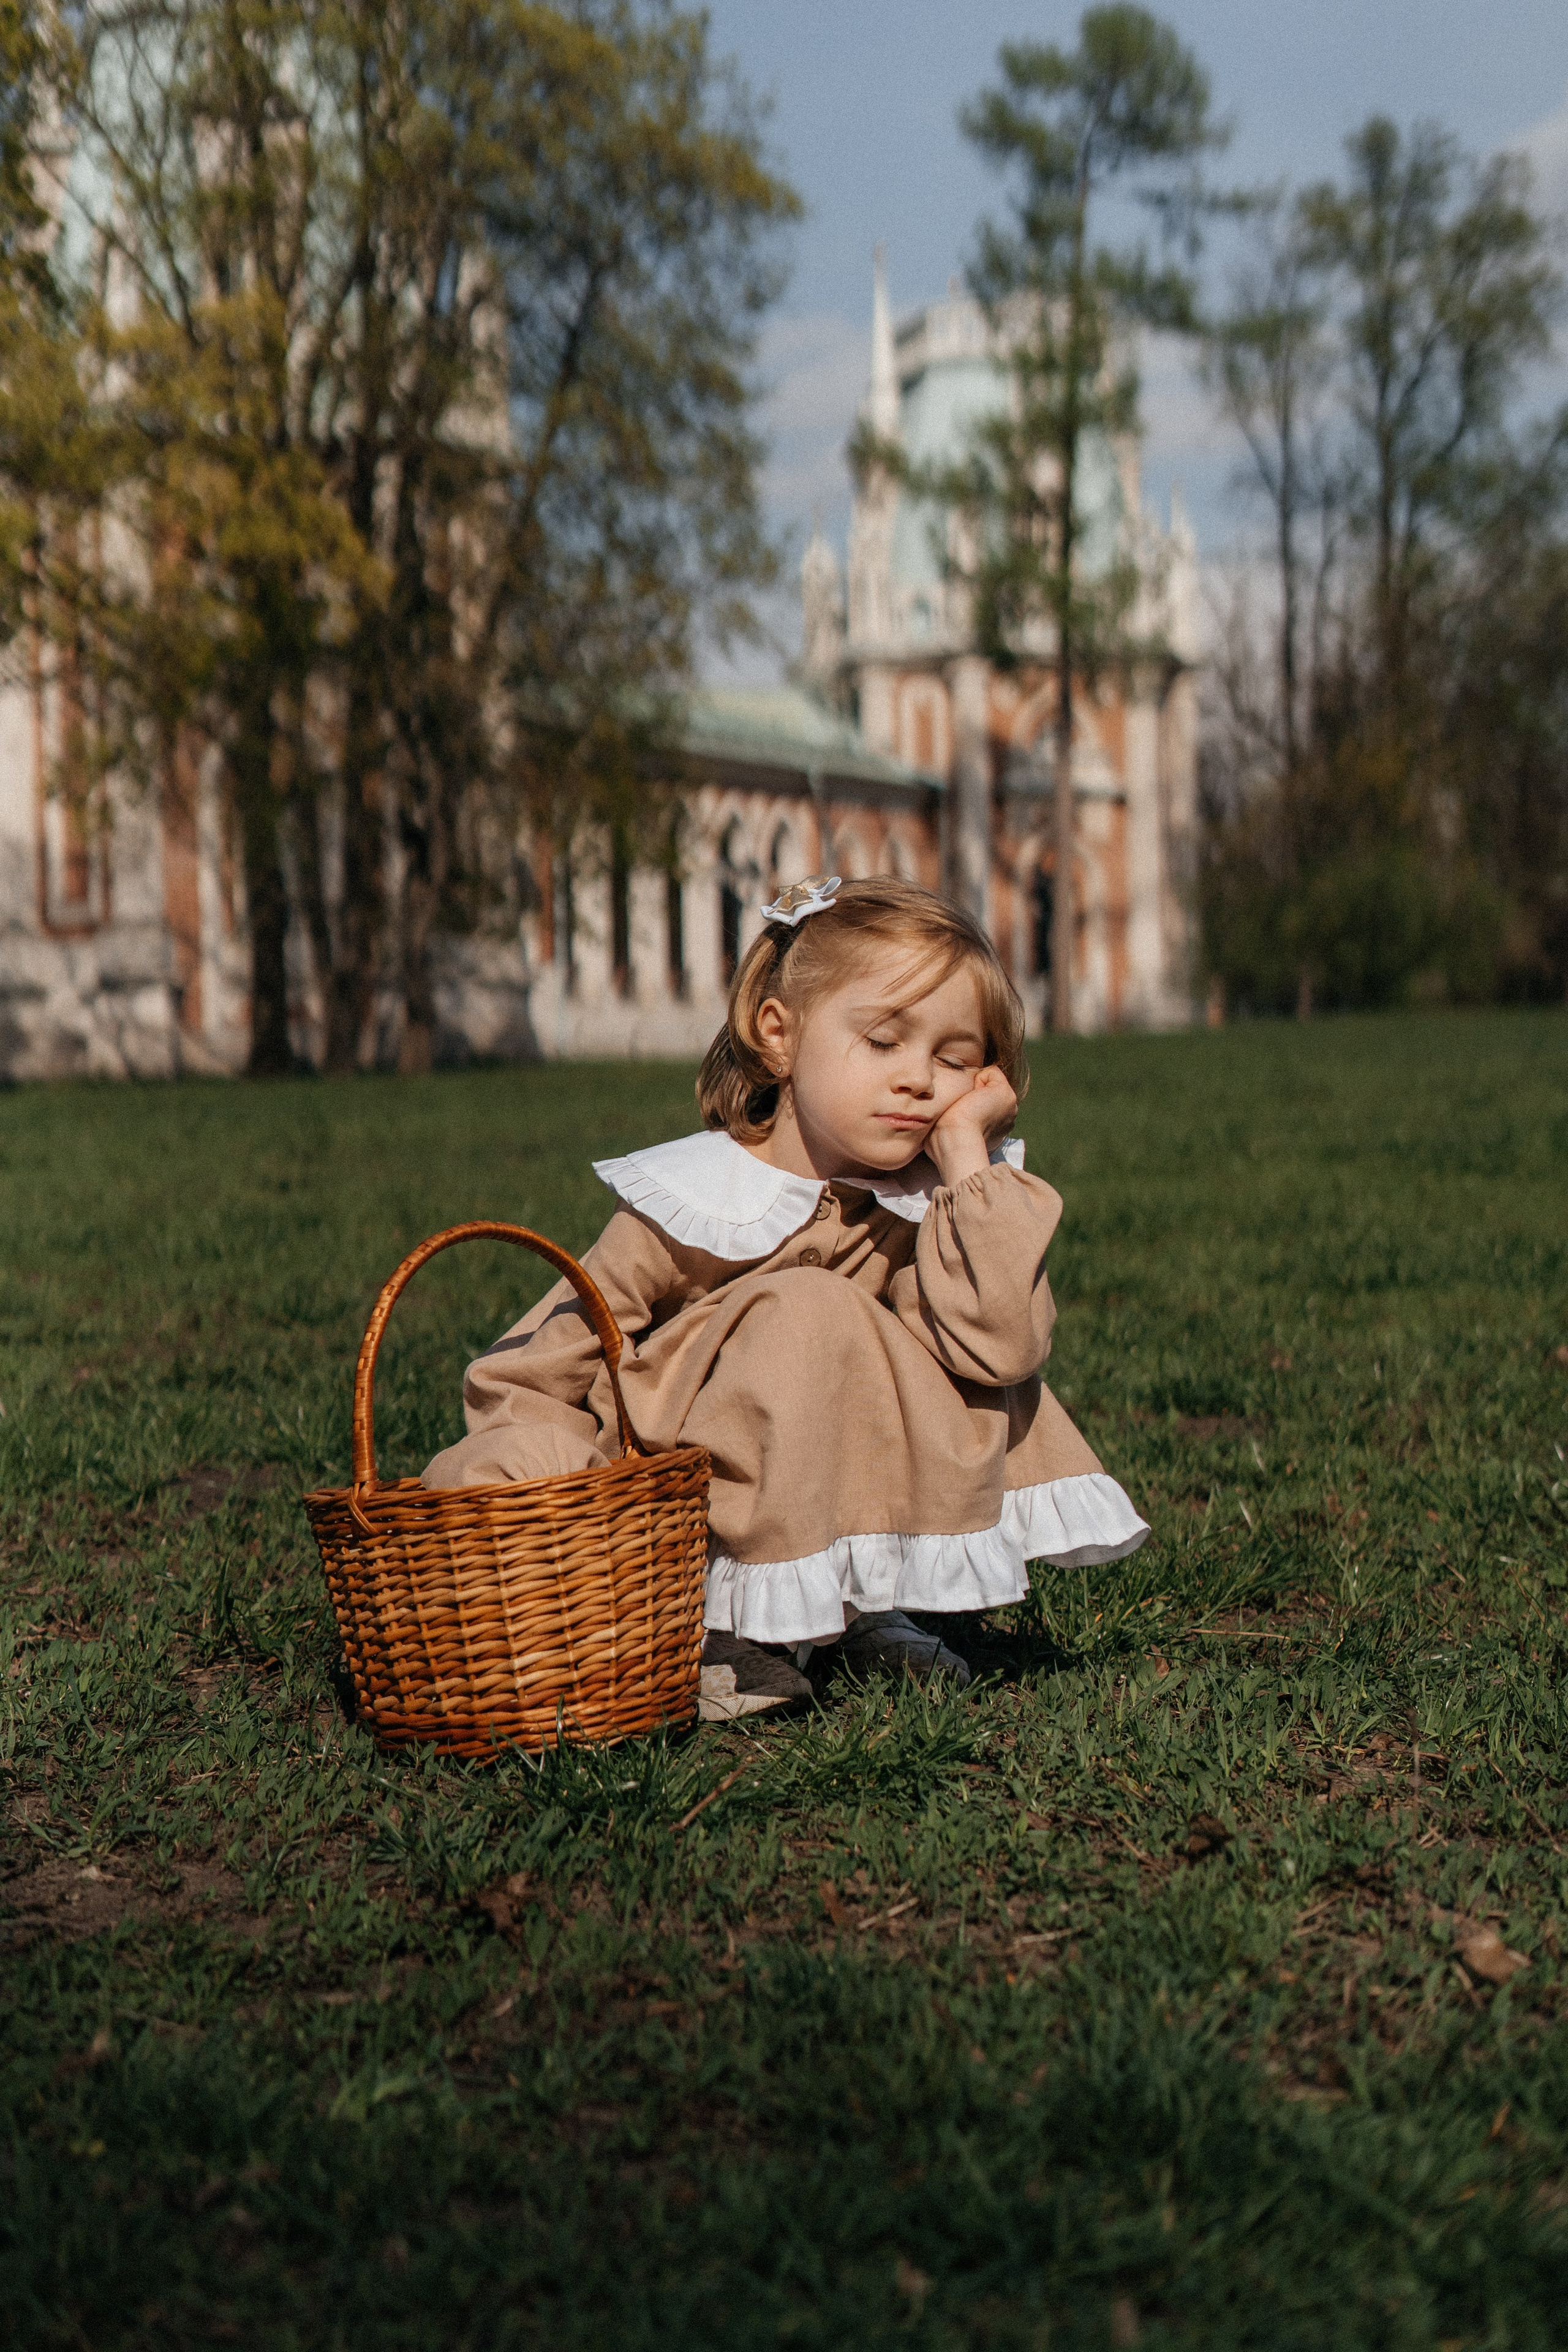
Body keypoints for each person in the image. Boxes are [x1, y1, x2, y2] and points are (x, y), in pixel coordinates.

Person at [422, 875, 1148, 1719]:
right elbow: (555, 1350)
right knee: (808, 1311)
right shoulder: (698, 1198)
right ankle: (721, 1628)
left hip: (813, 1468)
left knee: (879, 1334)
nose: (919, 1080)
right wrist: (560, 1486)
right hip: (673, 1494)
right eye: (884, 1042)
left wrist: (963, 1157)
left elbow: (1004, 1349)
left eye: (953, 1061)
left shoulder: (923, 1209)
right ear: (781, 1035)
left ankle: (850, 1614)